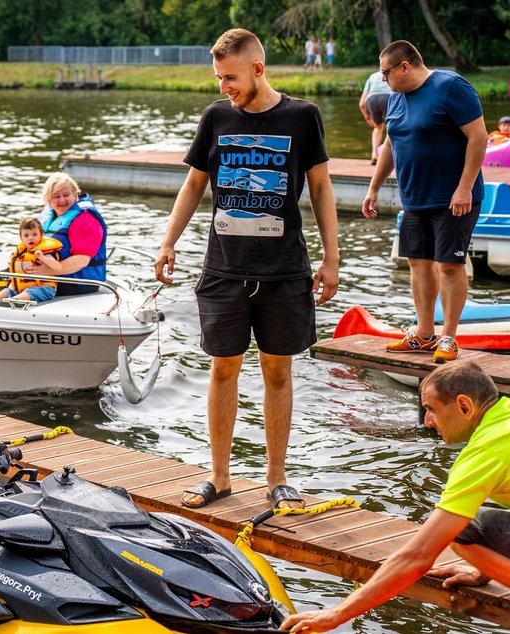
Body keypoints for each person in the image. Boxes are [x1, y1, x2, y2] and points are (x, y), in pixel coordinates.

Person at [154, 28, 339, 510]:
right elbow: (194, 184)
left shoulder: (302, 116)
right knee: (222, 368)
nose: (224, 88)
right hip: (224, 268)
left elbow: (320, 188)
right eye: (218, 78)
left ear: (258, 69)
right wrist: (168, 241)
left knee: (278, 370)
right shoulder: (215, 117)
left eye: (230, 77)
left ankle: (277, 477)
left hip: (284, 270)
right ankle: (219, 477)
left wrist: (332, 258)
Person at [281, 360, 510, 633]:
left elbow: (418, 556)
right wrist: (484, 570)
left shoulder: (485, 453)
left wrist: (335, 614)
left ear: (464, 405)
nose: (427, 422)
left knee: (462, 531)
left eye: (431, 409)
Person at [362, 40, 487, 364]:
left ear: (404, 66)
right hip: (415, 197)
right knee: (417, 263)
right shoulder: (395, 99)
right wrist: (374, 187)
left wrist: (464, 188)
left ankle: (449, 336)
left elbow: (479, 136)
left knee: (448, 265)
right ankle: (424, 333)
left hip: (453, 198)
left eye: (386, 73)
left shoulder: (450, 87)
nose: (383, 79)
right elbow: (390, 144)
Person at [29, 173, 107, 297]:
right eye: (56, 196)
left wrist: (47, 271)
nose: (62, 200)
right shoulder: (49, 213)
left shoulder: (85, 219)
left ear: (75, 194)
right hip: (51, 277)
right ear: (48, 199)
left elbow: (82, 260)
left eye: (66, 195)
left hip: (76, 283)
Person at [0, 216, 62, 305]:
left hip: (44, 289)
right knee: (5, 292)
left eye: (34, 234)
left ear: (41, 234)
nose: (30, 238)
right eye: (26, 235)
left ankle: (11, 301)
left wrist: (43, 258)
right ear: (21, 238)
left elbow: (58, 267)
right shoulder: (21, 253)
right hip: (21, 288)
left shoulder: (43, 252)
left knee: (29, 292)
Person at [359, 69, 393, 165]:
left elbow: (361, 104)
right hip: (387, 98)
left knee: (378, 128)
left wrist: (368, 118)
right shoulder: (390, 73)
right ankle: (390, 156)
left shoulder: (372, 76)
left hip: (371, 100)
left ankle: (374, 155)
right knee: (391, 127)